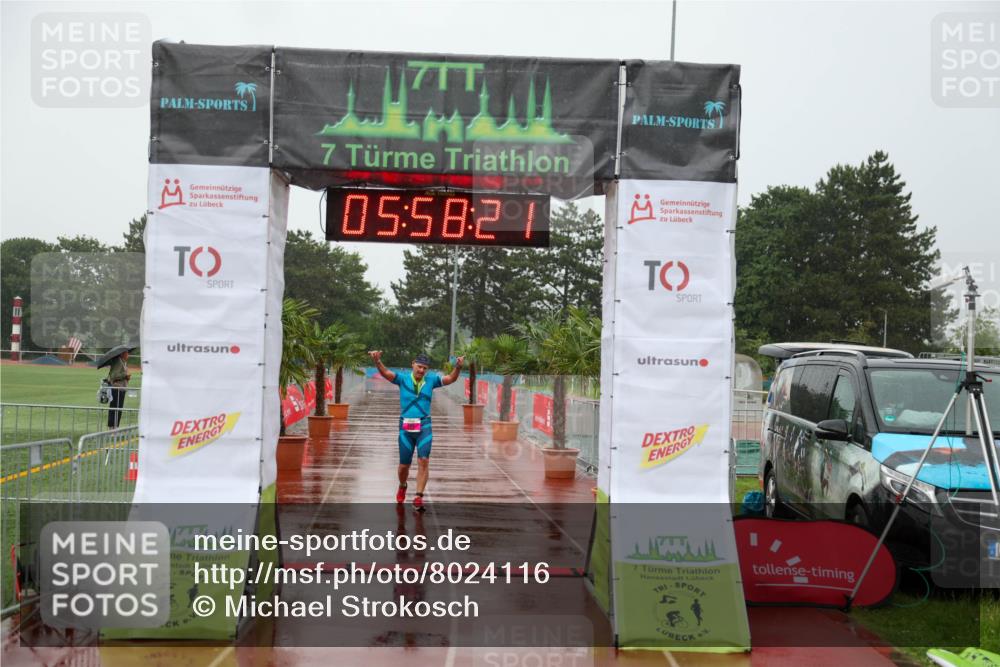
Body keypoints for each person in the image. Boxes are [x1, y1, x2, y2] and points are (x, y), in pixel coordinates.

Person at [369, 350, 463, 510]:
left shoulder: (432, 380)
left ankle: (419, 496)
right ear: (413, 364)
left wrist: (458, 367)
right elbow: (386, 373)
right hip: (405, 428)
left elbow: (450, 378)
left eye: (425, 368)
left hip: (424, 426)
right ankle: (402, 485)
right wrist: (377, 361)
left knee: (424, 460)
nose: (421, 370)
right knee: (403, 466)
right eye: (419, 366)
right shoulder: (402, 379)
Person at [107, 350, 131, 428]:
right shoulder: (118, 362)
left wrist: (126, 377)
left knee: (119, 409)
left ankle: (115, 427)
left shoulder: (122, 362)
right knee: (114, 408)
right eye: (127, 353)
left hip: (121, 388)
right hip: (116, 388)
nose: (128, 355)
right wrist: (125, 375)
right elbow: (114, 375)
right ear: (122, 354)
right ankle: (112, 428)